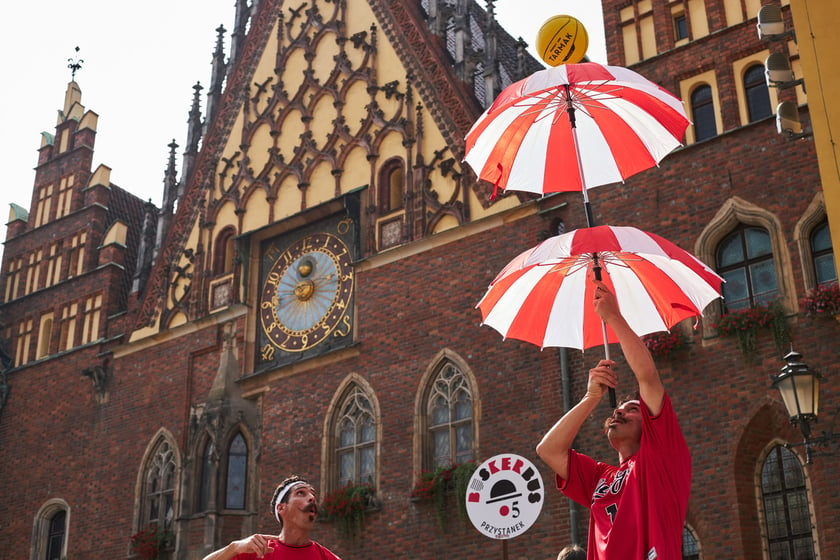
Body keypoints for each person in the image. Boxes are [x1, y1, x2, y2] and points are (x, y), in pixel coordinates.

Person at [536, 278, 691, 560]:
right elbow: (548, 450)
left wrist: (613, 317)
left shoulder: (662, 454)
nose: (619, 411)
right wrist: (590, 398)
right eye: (617, 409)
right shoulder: (599, 477)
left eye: (632, 408)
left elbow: (648, 377)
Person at [202, 475, 342, 560]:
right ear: (281, 508)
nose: (312, 498)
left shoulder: (326, 557)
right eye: (301, 493)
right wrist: (234, 548)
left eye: (313, 495)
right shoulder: (257, 550)